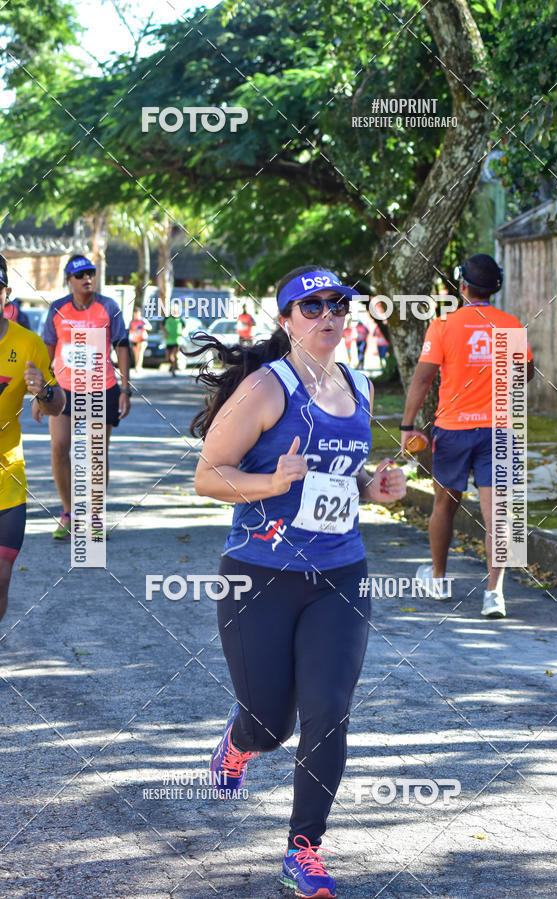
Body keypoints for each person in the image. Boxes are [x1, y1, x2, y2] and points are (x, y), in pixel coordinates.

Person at [192, 265, 406, 898]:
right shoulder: (265, 388)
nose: (328, 316)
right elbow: (208, 475)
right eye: (311, 307)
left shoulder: (360, 386)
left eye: (338, 305)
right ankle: (239, 741)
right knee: (270, 724)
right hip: (259, 575)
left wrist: (374, 487)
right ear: (286, 320)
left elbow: (343, 479)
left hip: (340, 574)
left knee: (329, 712)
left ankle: (303, 850)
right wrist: (271, 482)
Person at [400, 254, 534, 619]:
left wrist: (407, 426)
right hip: (500, 431)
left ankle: (439, 580)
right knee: (498, 515)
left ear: (462, 286)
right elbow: (525, 373)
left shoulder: (443, 325)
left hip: (453, 431)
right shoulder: (510, 324)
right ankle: (494, 594)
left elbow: (423, 379)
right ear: (495, 288)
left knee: (444, 506)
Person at [42, 255, 131, 540]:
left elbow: (122, 346)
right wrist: (43, 392)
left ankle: (94, 517)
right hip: (64, 390)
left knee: (96, 454)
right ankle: (68, 514)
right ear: (69, 280)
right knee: (59, 447)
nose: (87, 279)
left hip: (101, 388)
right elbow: (47, 350)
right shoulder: (57, 309)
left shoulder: (109, 307)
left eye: (90, 273)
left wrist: (125, 389)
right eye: (80, 275)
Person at [0, 256, 65, 620]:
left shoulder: (28, 344)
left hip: (7, 481)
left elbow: (58, 406)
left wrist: (43, 390)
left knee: (0, 579)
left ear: (6, 294)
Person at [161, 306, 185, 375]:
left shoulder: (180, 319)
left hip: (177, 340)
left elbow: (184, 327)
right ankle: (173, 365)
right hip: (169, 340)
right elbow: (162, 325)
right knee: (168, 357)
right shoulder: (167, 319)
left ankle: (173, 370)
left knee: (172, 355)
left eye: (175, 311)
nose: (174, 312)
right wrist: (164, 332)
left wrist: (183, 332)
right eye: (173, 311)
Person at [129, 306, 150, 373]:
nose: (136, 315)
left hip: (142, 339)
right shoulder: (132, 322)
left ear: (140, 313)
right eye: (135, 314)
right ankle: (137, 366)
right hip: (134, 339)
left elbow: (150, 327)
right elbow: (130, 330)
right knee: (136, 354)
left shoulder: (143, 320)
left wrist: (144, 326)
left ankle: (138, 367)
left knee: (140, 352)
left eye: (137, 313)